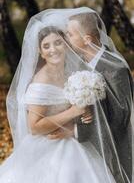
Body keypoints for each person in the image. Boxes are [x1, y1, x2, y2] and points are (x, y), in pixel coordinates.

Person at [0, 14, 117, 183]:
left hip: (73, 141)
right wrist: (73, 112)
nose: (53, 49)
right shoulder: (41, 81)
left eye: (58, 42)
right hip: (49, 148)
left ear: (66, 45)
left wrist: (86, 113)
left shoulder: (71, 73)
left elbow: (77, 107)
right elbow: (34, 127)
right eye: (46, 46)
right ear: (41, 52)